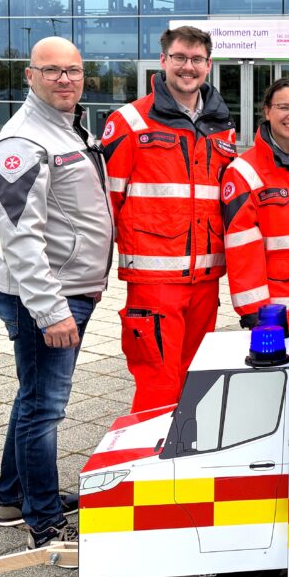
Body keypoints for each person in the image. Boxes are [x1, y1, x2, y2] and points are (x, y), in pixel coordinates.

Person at [0, 37, 113, 549]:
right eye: (53, 70)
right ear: (29, 75)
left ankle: (14, 498)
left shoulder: (68, 127)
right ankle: (43, 521)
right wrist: (51, 310)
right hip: (46, 297)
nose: (66, 80)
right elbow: (20, 239)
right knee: (44, 408)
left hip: (69, 289)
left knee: (32, 398)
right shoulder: (20, 143)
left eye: (74, 71)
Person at [101, 25, 236, 412]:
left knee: (196, 382)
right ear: (163, 61)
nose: (187, 67)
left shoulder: (220, 125)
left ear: (208, 66)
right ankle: (148, 465)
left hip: (206, 280)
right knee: (159, 388)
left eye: (196, 60)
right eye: (179, 58)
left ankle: (185, 462)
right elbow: (107, 205)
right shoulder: (130, 122)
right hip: (154, 282)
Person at [222, 77, 289, 327]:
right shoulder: (243, 172)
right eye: (284, 107)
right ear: (268, 110)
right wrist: (254, 312)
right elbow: (242, 250)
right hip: (275, 312)